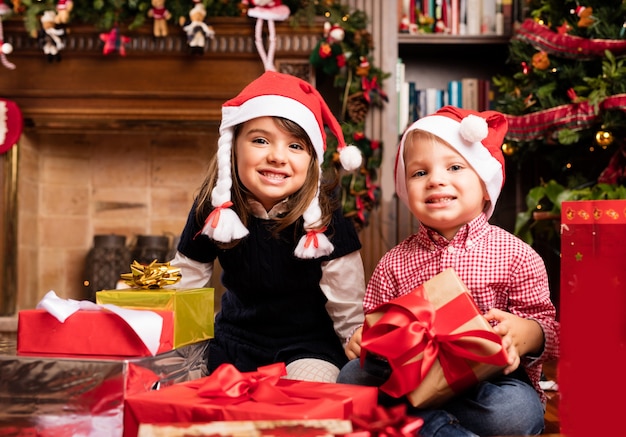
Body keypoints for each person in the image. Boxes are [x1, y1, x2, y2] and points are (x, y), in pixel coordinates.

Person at [337, 106, 560, 437]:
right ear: (407, 191)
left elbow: (551, 334)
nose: (436, 180)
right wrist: (363, 340)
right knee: (351, 377)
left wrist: (525, 334)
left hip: (490, 381)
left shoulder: (517, 256)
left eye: (455, 167)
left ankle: (423, 426)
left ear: (485, 186)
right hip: (412, 376)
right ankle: (440, 426)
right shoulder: (393, 262)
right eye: (419, 173)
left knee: (514, 413)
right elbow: (374, 325)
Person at [170, 71, 366, 383]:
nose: (276, 156)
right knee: (196, 399)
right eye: (260, 141)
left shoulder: (327, 216)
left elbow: (347, 301)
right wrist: (178, 345)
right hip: (233, 345)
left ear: (313, 159)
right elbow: (187, 281)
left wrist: (354, 342)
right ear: (233, 147)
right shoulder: (214, 208)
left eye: (296, 146)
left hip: (308, 347)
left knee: (303, 399)